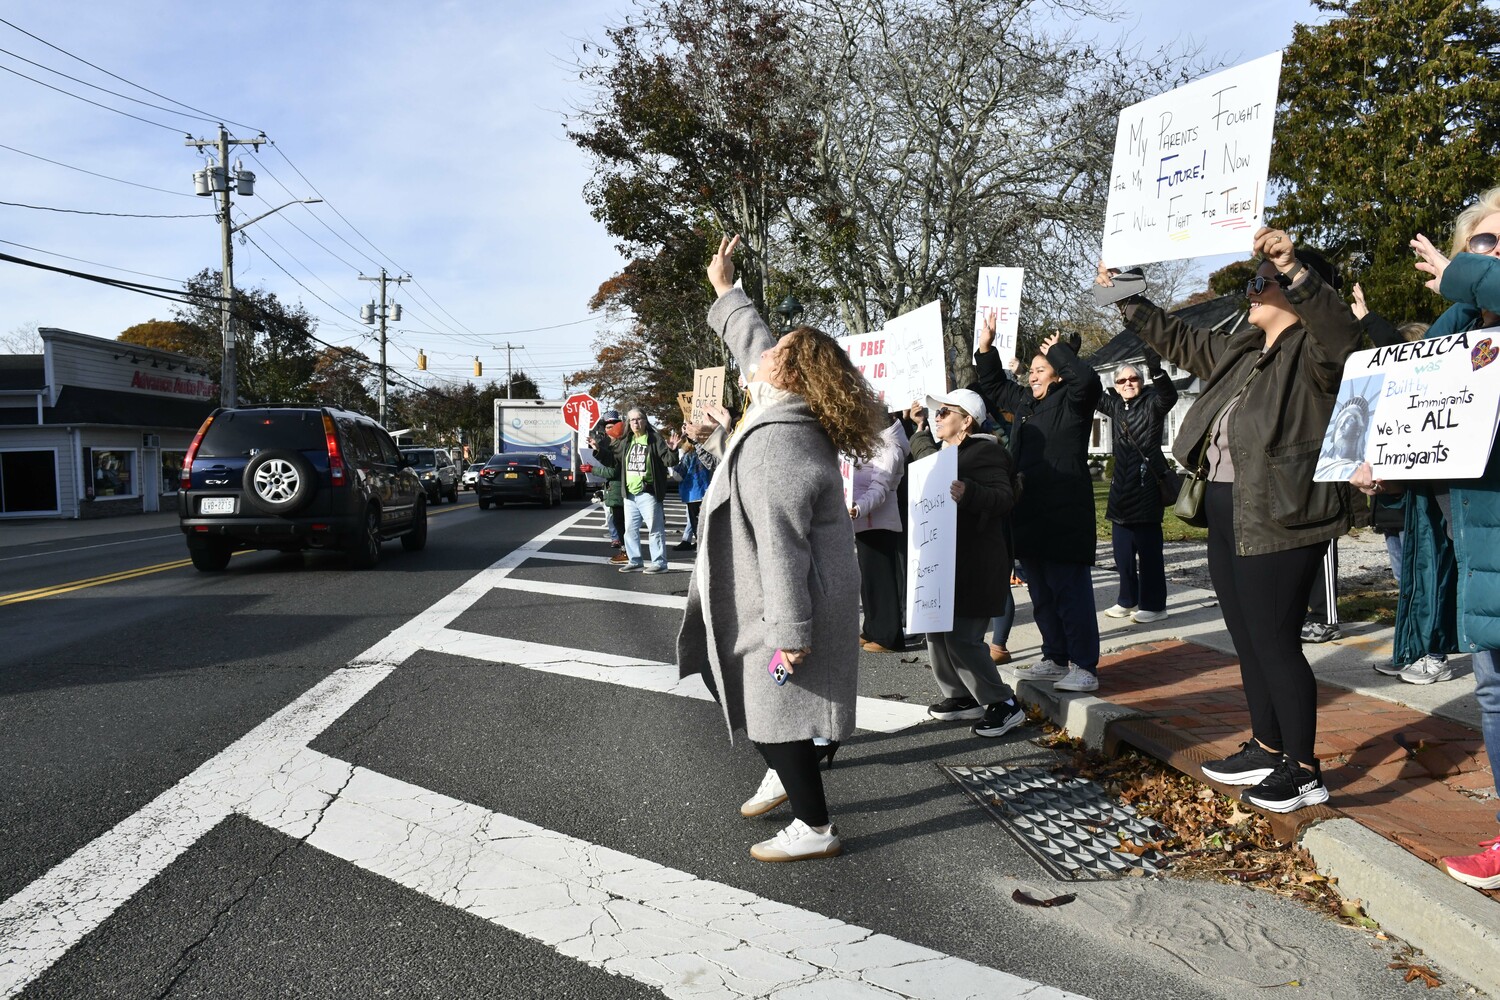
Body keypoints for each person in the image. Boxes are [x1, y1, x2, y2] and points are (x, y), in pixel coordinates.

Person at [1099, 227, 1361, 814]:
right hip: (1228, 513)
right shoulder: (1246, 348)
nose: (1250, 291)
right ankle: (1267, 747)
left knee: (1275, 641)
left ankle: (1304, 769)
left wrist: (1294, 269)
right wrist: (1126, 299)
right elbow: (1181, 340)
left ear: (1294, 292)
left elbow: (1344, 336)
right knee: (1248, 640)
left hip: (1280, 517)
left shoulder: (1316, 352)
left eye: (1259, 284)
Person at [679, 234, 886, 863]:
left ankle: (814, 824)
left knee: (773, 702)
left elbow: (781, 538)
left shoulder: (778, 437)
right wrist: (725, 289)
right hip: (779, 597)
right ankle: (797, 759)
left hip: (786, 604)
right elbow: (751, 345)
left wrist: (790, 632)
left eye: (779, 352)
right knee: (764, 699)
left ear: (790, 374)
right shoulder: (781, 419)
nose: (764, 354)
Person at [1357, 191, 1500, 888]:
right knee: (1496, 695)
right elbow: (1407, 411)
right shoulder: (1457, 328)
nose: (1493, 255)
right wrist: (1382, 466)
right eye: (1484, 243)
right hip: (1478, 562)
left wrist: (1462, 272)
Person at [974, 319, 1104, 693]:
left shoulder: (1074, 401)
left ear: (1058, 375)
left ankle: (1084, 665)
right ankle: (1054, 657)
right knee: (1042, 594)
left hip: (1064, 512)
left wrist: (1059, 353)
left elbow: (1088, 381)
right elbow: (995, 386)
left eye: (1040, 370)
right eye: (1030, 371)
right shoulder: (1028, 404)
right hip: (1028, 513)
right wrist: (986, 348)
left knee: (1070, 593)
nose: (1031, 377)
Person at [908, 388, 1026, 737]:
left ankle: (1003, 703)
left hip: (976, 561)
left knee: (962, 637)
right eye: (936, 413)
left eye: (945, 412)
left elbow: (1004, 497)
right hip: (943, 561)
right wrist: (918, 430)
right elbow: (925, 454)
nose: (937, 417)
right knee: (936, 632)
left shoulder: (986, 451)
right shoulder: (947, 452)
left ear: (967, 420)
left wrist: (970, 493)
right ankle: (961, 696)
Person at [1095, 346, 1178, 624]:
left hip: (1146, 489)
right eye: (1122, 380)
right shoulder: (1115, 405)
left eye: (1134, 379)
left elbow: (1170, 395)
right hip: (1120, 491)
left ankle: (1154, 605)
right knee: (1122, 555)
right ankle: (1127, 600)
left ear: (1141, 383)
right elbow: (1085, 390)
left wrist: (1156, 371)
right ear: (1115, 386)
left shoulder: (1152, 402)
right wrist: (1068, 360)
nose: (1128, 384)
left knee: (1149, 555)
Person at [850, 416, 909, 653]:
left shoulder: (890, 448)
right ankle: (873, 628)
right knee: (869, 578)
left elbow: (880, 488)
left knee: (883, 579)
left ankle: (889, 636)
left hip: (878, 520)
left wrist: (858, 507)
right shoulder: (868, 442)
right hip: (862, 518)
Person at [598, 408, 676, 574]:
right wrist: (598, 450)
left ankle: (659, 564)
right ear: (628, 423)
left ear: (645, 421)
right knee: (630, 531)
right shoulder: (627, 440)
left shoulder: (654, 439)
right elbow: (614, 460)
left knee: (655, 530)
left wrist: (673, 450)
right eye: (631, 420)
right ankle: (635, 561)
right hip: (630, 494)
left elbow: (669, 461)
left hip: (648, 491)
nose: (635, 422)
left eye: (638, 419)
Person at [590, 411, 628, 564]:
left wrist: (592, 469)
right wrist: (597, 449)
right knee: (618, 521)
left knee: (622, 522)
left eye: (613, 426)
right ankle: (625, 549)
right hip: (613, 488)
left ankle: (626, 551)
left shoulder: (621, 444)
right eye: (607, 427)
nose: (609, 430)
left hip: (621, 489)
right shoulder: (607, 443)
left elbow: (614, 469)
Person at [673, 435, 712, 551]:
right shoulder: (707, 453)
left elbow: (678, 476)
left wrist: (673, 466)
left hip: (692, 493)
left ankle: (701, 546)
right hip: (706, 490)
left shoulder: (688, 456)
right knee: (705, 522)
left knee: (696, 522)